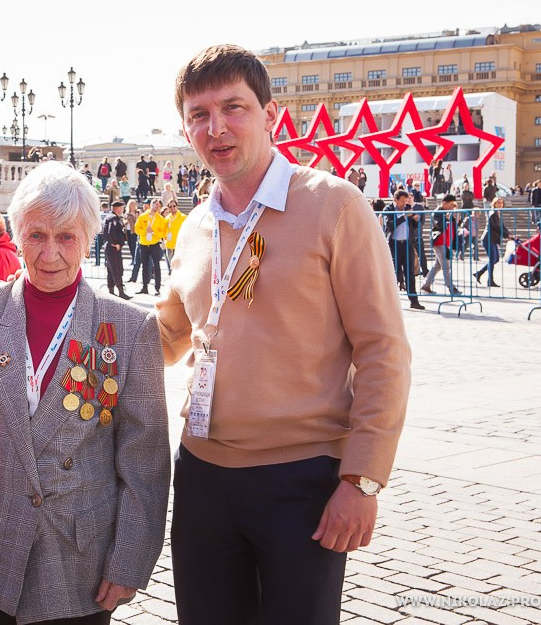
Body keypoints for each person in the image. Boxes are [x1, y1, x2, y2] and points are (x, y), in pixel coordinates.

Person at [156, 44, 410, 625]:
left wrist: (362, 480)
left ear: (270, 113)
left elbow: (383, 350)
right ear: (186, 128)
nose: (216, 128)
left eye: (233, 108)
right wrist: (66, 311)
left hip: (301, 479)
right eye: (199, 115)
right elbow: (170, 332)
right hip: (202, 476)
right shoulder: (196, 225)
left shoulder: (334, 205)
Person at [0, 161, 170, 624]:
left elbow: (145, 460)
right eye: (36, 235)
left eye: (66, 237)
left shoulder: (130, 327)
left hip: (79, 558)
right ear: (17, 236)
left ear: (88, 240)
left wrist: (130, 560)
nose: (50, 254)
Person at [384, 191, 425, 309]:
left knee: (410, 273)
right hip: (394, 245)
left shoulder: (408, 208)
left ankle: (414, 300)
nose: (404, 204)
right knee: (393, 273)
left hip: (407, 244)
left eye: (406, 201)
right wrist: (403, 217)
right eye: (402, 201)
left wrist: (416, 220)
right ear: (395, 200)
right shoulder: (389, 210)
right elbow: (389, 225)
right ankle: (389, 302)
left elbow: (415, 226)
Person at [422, 194, 462, 295]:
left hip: (446, 242)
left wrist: (456, 218)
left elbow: (456, 225)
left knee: (438, 266)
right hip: (439, 242)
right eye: (450, 205)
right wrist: (447, 218)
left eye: (453, 205)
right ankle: (451, 287)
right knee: (446, 266)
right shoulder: (437, 212)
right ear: (444, 203)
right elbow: (438, 225)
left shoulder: (449, 213)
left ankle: (426, 285)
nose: (452, 207)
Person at [134, 199, 167, 296]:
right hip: (144, 244)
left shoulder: (161, 219)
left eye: (158, 205)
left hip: (154, 244)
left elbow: (163, 232)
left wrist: (154, 232)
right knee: (144, 265)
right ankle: (144, 287)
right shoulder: (143, 216)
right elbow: (137, 229)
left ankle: (157, 287)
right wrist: (145, 231)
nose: (156, 206)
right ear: (151, 205)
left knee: (156, 265)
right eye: (155, 204)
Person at [475, 197, 510, 287]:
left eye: (501, 203)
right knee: (493, 259)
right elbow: (496, 227)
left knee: (496, 259)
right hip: (488, 239)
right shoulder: (492, 213)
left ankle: (479, 273)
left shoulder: (498, 213)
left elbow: (502, 226)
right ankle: (490, 280)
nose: (500, 204)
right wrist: (507, 235)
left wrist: (509, 234)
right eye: (498, 203)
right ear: (494, 204)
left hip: (493, 239)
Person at [103, 200, 131, 299]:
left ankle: (111, 290)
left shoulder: (112, 217)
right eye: (122, 208)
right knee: (116, 268)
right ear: (117, 208)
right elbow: (111, 231)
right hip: (113, 248)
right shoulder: (113, 218)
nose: (123, 209)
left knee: (111, 269)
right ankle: (120, 291)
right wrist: (115, 243)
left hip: (111, 247)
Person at [164, 199, 186, 272]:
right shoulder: (167, 218)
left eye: (174, 206)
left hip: (179, 244)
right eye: (170, 206)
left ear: (177, 206)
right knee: (171, 264)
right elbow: (164, 230)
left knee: (179, 265)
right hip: (169, 244)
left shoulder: (183, 217)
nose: (172, 208)